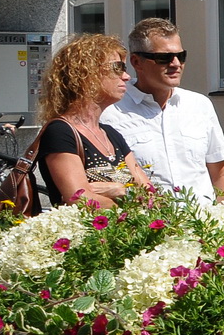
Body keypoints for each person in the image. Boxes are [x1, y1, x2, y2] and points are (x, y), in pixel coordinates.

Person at [101, 19, 224, 204]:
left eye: (181, 56)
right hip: (148, 220)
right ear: (136, 62)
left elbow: (220, 173)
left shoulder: (199, 105)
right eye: (164, 58)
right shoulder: (111, 111)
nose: (176, 64)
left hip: (203, 220)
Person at [35, 34, 153, 207]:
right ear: (86, 74)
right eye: (118, 68)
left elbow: (152, 198)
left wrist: (121, 190)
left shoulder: (111, 134)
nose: (126, 76)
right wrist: (133, 200)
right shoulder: (60, 132)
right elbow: (80, 200)